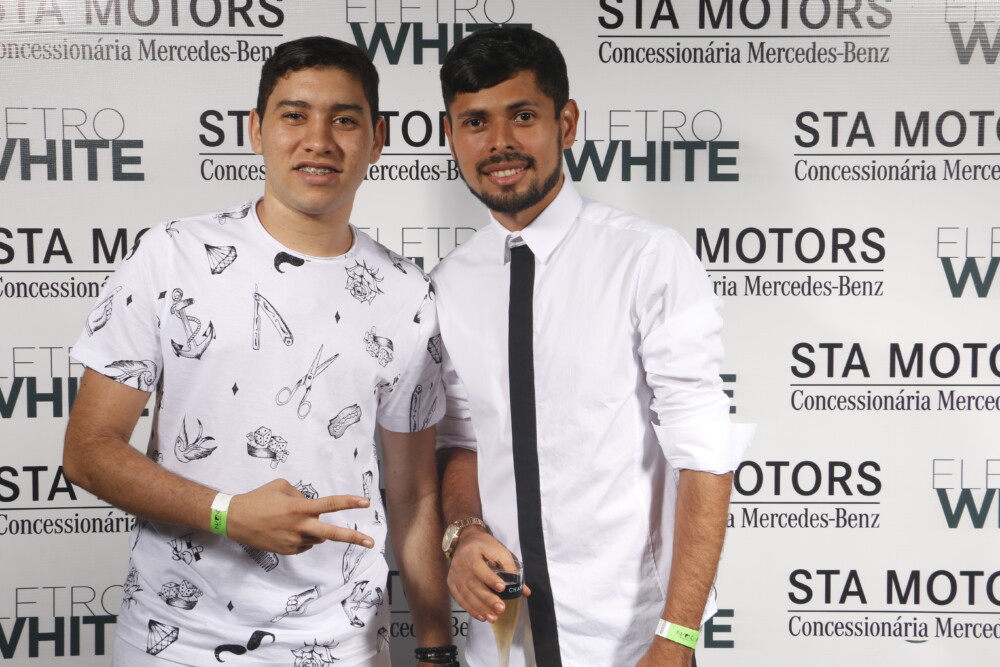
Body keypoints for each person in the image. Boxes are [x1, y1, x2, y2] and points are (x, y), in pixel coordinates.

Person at [64, 36, 455, 667]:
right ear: (256, 130)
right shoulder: (172, 255)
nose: (318, 140)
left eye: (344, 120)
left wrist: (436, 650)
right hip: (175, 639)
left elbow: (414, 497)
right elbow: (88, 450)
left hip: (344, 643)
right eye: (294, 115)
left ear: (377, 138)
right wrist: (227, 514)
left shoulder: (408, 294)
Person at [432, 26, 755, 667]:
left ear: (567, 123)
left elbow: (704, 456)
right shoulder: (451, 282)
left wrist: (678, 638)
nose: (499, 142)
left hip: (628, 644)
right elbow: (463, 438)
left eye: (523, 116)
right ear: (451, 135)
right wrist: (463, 532)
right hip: (500, 644)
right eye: (475, 122)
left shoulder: (646, 258)